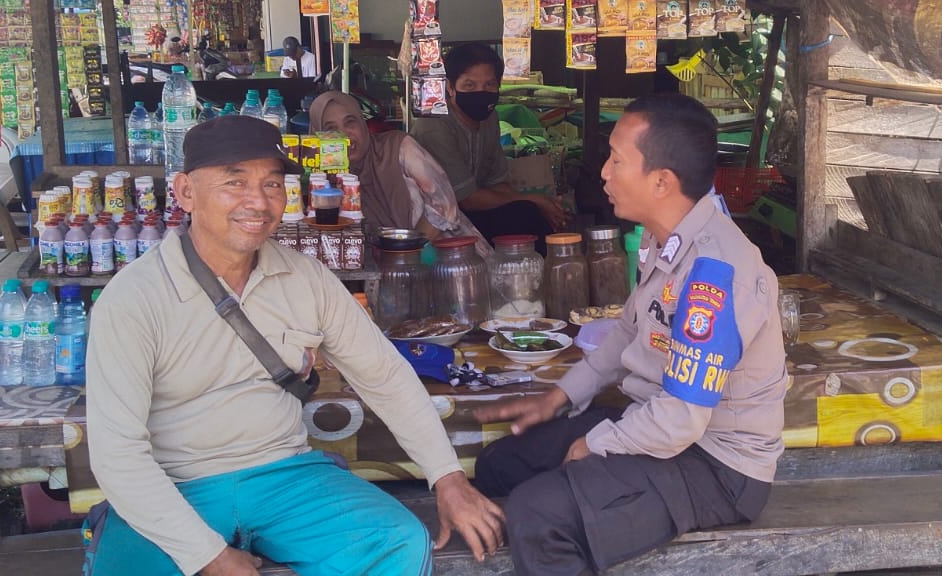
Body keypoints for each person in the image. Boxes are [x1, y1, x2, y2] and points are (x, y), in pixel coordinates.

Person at [85, 116, 503, 576]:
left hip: (285, 477)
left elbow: (385, 377)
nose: (258, 202)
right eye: (234, 182)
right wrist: (208, 556)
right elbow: (117, 453)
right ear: (185, 192)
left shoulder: (307, 278)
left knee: (395, 544)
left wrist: (447, 477)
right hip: (174, 484)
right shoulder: (133, 297)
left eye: (272, 184)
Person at [473, 92, 786, 576]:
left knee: (536, 513)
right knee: (499, 466)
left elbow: (682, 420)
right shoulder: (665, 241)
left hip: (717, 467)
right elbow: (626, 334)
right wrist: (556, 398)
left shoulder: (715, 273)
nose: (602, 172)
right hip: (658, 425)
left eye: (617, 160)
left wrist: (596, 445)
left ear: (661, 181)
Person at [410, 44, 567, 244]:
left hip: (471, 215)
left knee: (531, 215)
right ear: (449, 87)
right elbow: (468, 200)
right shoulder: (434, 125)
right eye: (469, 85)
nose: (481, 92)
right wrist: (533, 199)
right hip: (434, 223)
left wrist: (546, 206)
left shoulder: (489, 118)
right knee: (525, 213)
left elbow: (498, 184)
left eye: (489, 85)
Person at [307, 90, 489, 252]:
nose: (344, 134)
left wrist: (405, 252)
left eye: (350, 122)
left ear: (362, 123)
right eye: (331, 129)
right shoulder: (320, 180)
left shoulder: (398, 147)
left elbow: (443, 204)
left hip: (450, 259)